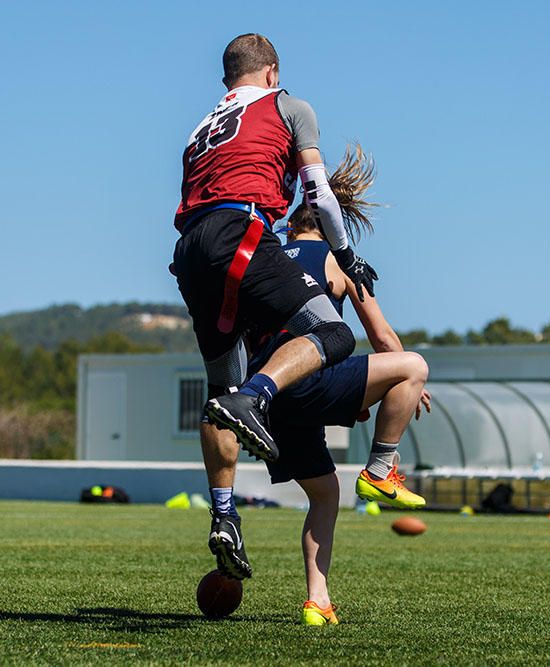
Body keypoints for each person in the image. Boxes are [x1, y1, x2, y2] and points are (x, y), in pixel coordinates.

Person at [171, 33, 377, 580]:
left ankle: (222, 512)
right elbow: (316, 189)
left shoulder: (199, 132)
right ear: (272, 71)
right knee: (333, 336)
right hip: (241, 231)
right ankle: (258, 398)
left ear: (226, 81)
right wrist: (346, 255)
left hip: (190, 250)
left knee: (220, 390)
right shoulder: (288, 104)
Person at [248, 145, 430, 625]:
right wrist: (405, 380)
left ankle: (318, 602)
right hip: (310, 380)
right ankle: (379, 470)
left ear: (288, 225)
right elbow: (382, 337)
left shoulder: (265, 265)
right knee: (413, 365)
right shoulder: (338, 259)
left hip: (267, 399)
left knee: (326, 493)